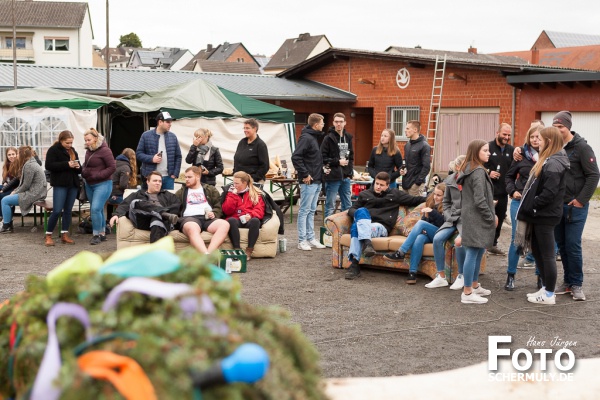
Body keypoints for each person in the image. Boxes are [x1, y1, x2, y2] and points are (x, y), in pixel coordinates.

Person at [516, 127, 569, 305]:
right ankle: (546, 288)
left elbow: (549, 193)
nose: (538, 141)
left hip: (545, 215)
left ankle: (549, 294)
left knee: (546, 254)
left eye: (541, 138)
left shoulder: (554, 163)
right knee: (538, 252)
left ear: (550, 141)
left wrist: (533, 205)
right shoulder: (549, 160)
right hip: (540, 214)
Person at [552, 111, 599, 301]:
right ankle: (567, 282)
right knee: (562, 246)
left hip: (575, 207)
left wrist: (581, 200)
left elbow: (594, 175)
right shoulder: (554, 146)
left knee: (573, 245)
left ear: (568, 127)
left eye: (561, 127)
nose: (558, 130)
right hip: (557, 206)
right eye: (555, 127)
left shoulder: (582, 147)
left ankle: (577, 284)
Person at [344, 172, 426, 280]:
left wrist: (434, 197)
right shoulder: (365, 194)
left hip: (381, 227)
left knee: (357, 226)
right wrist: (360, 216)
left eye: (381, 185)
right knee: (361, 212)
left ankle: (354, 263)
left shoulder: (395, 194)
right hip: (366, 224)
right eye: (376, 183)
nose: (378, 187)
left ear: (388, 185)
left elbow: (415, 200)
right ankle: (366, 245)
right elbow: (351, 209)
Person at [456, 139, 496, 304]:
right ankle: (467, 293)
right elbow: (480, 200)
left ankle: (474, 285)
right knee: (472, 252)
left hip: (471, 216)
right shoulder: (478, 171)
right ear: (476, 152)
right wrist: (490, 216)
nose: (489, 153)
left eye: (488, 150)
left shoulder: (470, 168)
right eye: (485, 150)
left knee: (478, 251)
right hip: (477, 217)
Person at [384, 183, 446, 284]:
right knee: (419, 239)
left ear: (445, 196)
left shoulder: (447, 205)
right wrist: (426, 215)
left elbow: (443, 223)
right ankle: (412, 273)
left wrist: (432, 213)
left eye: (439, 195)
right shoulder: (431, 202)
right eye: (434, 194)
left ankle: (401, 252)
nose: (435, 197)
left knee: (421, 224)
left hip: (440, 234)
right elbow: (425, 221)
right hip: (430, 234)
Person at [504, 124, 542, 290]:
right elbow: (509, 176)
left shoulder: (548, 156)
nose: (535, 140)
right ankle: (510, 276)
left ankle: (540, 277)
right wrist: (513, 191)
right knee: (517, 239)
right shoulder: (521, 156)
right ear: (528, 138)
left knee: (539, 240)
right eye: (532, 137)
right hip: (519, 203)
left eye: (538, 137)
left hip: (539, 205)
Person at [420, 155, 467, 290]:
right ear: (458, 167)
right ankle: (441, 276)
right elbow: (446, 202)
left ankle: (461, 276)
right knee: (437, 238)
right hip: (451, 218)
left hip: (465, 219)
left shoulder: (470, 181)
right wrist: (447, 215)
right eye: (465, 165)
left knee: (460, 242)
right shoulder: (450, 180)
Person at [109, 171, 181, 243]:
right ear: (148, 182)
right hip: (143, 220)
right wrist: (116, 214)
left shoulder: (168, 195)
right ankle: (162, 213)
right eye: (155, 181)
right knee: (135, 202)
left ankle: (155, 253)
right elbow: (125, 204)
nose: (158, 183)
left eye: (160, 181)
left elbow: (177, 206)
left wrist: (161, 214)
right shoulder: (138, 194)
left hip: (160, 221)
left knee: (157, 220)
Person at [292, 113, 326, 251]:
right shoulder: (306, 138)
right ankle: (302, 240)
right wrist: (305, 173)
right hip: (309, 181)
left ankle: (311, 238)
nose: (323, 125)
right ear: (316, 124)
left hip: (317, 179)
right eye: (322, 122)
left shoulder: (313, 137)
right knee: (305, 210)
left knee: (312, 210)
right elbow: (296, 157)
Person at [176, 166, 230, 254]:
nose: (186, 179)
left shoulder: (210, 189)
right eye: (185, 177)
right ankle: (205, 255)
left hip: (207, 217)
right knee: (192, 227)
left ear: (198, 176)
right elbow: (175, 208)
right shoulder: (181, 192)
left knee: (224, 224)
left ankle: (208, 254)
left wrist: (214, 213)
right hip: (189, 219)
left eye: (189, 177)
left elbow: (218, 205)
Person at [43, 130, 82, 246]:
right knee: (57, 210)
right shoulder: (53, 150)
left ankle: (64, 234)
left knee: (68, 211)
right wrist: (67, 164)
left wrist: (78, 166)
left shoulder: (73, 151)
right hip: (60, 184)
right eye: (67, 143)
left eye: (71, 143)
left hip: (72, 184)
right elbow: (48, 166)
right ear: (61, 141)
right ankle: (48, 235)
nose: (70, 145)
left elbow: (80, 169)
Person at [483, 123, 514, 256]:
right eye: (504, 134)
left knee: (500, 218)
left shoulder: (511, 150)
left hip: (503, 192)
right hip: (488, 190)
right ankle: (482, 244)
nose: (506, 137)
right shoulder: (487, 147)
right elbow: (478, 164)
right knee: (487, 218)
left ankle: (493, 244)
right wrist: (488, 172)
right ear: (497, 133)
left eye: (508, 135)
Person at [81, 128, 116, 245]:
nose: (87, 142)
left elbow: (112, 167)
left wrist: (97, 175)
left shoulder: (105, 151)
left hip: (103, 183)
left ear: (96, 139)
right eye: (85, 140)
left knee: (95, 209)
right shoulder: (88, 150)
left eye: (89, 140)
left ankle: (96, 234)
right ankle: (102, 233)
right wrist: (83, 171)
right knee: (98, 209)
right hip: (89, 184)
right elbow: (86, 164)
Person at [0, 146, 47, 233]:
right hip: (36, 192)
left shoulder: (29, 165)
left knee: (5, 200)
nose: (16, 156)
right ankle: (7, 224)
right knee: (6, 199)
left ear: (22, 155)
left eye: (17, 153)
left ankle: (6, 226)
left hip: (35, 194)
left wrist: (14, 192)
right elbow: (24, 184)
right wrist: (14, 191)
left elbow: (25, 185)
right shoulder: (30, 163)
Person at [222, 171, 266, 259]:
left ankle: (249, 250)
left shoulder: (255, 193)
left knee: (255, 221)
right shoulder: (230, 193)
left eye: (237, 183)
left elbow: (260, 210)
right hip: (236, 219)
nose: (234, 185)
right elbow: (226, 211)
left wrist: (250, 215)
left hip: (249, 219)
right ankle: (237, 249)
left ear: (245, 183)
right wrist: (233, 196)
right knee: (231, 220)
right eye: (233, 182)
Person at [136, 111, 182, 190]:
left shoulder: (173, 136)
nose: (170, 124)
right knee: (149, 201)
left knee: (166, 201)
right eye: (167, 122)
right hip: (151, 177)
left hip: (168, 177)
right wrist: (151, 159)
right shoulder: (146, 135)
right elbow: (139, 154)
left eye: (170, 122)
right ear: (160, 122)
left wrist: (175, 173)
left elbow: (178, 156)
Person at [321, 112, 354, 218]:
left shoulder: (348, 137)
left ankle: (346, 229)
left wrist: (350, 171)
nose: (338, 124)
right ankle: (328, 230)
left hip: (345, 176)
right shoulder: (328, 138)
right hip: (333, 176)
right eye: (336, 122)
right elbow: (323, 157)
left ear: (345, 123)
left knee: (348, 205)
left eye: (341, 122)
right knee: (330, 205)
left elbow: (351, 155)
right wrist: (337, 162)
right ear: (333, 123)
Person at [233, 118, 269, 183]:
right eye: (244, 128)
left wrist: (253, 178)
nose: (245, 130)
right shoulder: (242, 142)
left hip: (254, 181)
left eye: (247, 128)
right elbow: (237, 160)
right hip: (240, 181)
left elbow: (265, 166)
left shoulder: (260, 145)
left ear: (255, 129)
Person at [400, 120, 430, 196]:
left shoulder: (424, 146)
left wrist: (417, 183)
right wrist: (402, 169)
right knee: (404, 206)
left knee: (414, 207)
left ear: (415, 130)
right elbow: (406, 162)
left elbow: (426, 167)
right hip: (405, 182)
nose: (405, 130)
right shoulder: (407, 145)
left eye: (407, 128)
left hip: (415, 185)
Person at [107, 148, 137, 221]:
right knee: (134, 202)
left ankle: (109, 219)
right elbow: (123, 185)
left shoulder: (114, 162)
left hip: (107, 193)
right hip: (116, 196)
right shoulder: (125, 167)